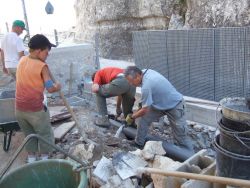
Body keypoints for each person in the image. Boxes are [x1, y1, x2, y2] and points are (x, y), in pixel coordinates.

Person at [124, 66, 193, 152]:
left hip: (175, 105)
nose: (131, 84)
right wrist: (139, 109)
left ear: (138, 76)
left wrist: (132, 116)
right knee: (143, 119)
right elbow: (144, 104)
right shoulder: (145, 72)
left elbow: (145, 110)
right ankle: (139, 143)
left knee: (180, 134)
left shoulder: (146, 85)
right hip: (160, 103)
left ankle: (189, 156)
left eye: (131, 81)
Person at [15, 34, 60, 163]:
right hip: (35, 110)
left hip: (19, 109)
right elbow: (50, 88)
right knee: (45, 134)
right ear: (39, 50)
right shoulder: (42, 67)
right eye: (47, 51)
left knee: (29, 135)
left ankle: (32, 160)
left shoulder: (22, 60)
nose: (48, 55)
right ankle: (45, 161)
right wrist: (57, 86)